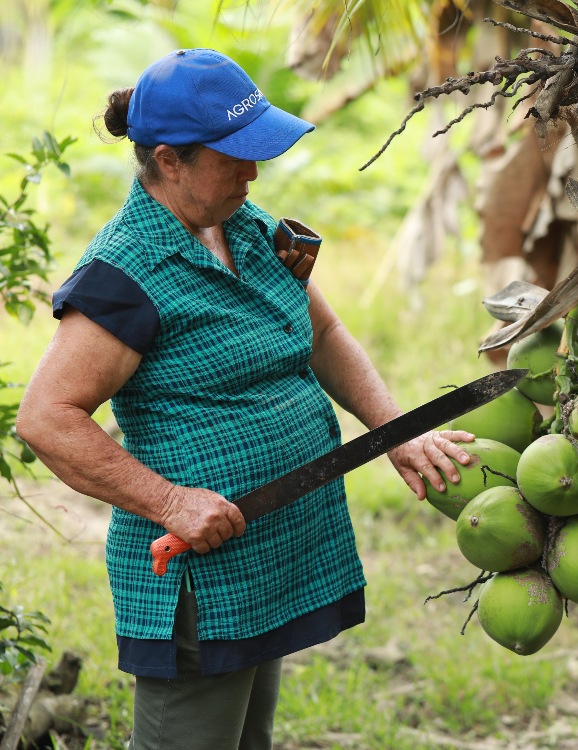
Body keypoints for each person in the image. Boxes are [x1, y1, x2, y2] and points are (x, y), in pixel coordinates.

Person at [15, 48, 474, 750]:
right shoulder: (125, 275)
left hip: (270, 550)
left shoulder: (252, 231)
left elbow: (323, 332)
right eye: (233, 157)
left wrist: (397, 432)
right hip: (201, 573)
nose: (252, 172)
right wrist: (172, 502)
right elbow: (45, 418)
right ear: (169, 161)